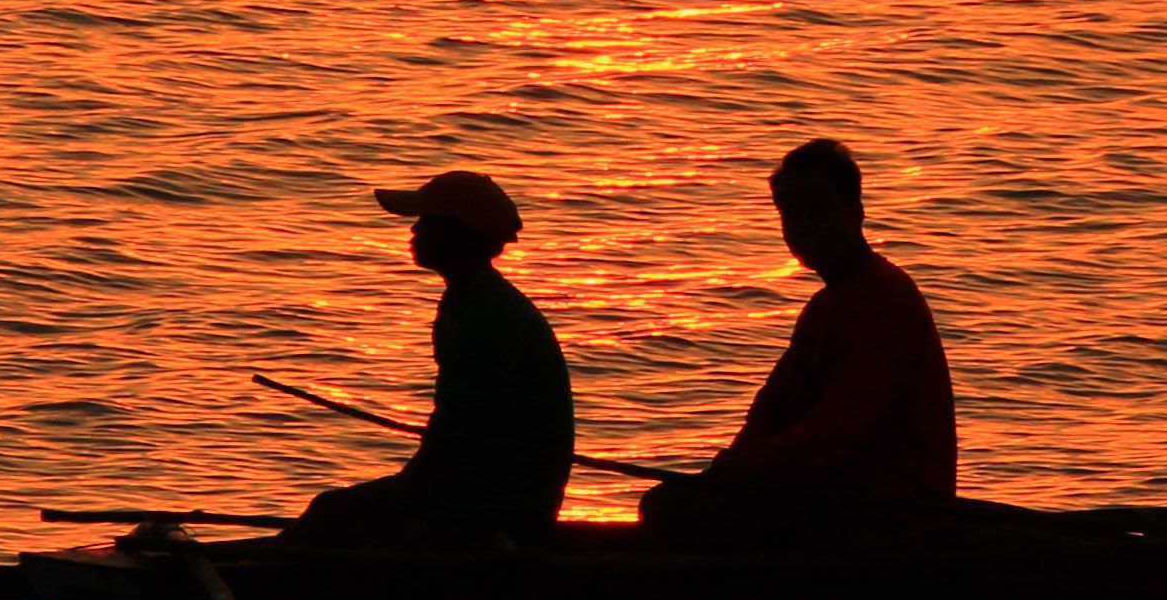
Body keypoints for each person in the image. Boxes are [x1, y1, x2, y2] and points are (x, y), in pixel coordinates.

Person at [638, 137, 959, 545]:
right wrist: (731, 466)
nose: (805, 227)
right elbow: (775, 407)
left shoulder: (884, 297)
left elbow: (844, 426)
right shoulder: (826, 306)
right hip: (837, 492)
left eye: (819, 210)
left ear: (856, 211)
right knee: (670, 504)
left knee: (681, 516)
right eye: (792, 215)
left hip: (891, 507)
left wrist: (750, 467)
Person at [289, 169, 574, 547]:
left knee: (337, 517)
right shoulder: (468, 299)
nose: (414, 231)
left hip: (504, 501)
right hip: (479, 484)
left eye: (426, 222)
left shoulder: (489, 313)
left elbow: (459, 435)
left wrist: (404, 495)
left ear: (459, 233)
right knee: (335, 512)